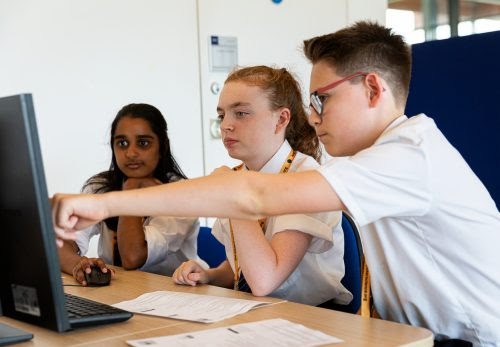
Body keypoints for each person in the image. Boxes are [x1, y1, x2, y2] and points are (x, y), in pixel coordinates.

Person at [52, 22, 500, 346]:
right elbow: (245, 202)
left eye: (321, 98)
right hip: (410, 335)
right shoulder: (374, 161)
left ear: (373, 89)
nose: (314, 114)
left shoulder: (408, 157)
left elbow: (249, 198)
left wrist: (105, 205)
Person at [172, 66, 352, 307]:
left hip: (311, 317)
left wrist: (234, 194)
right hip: (255, 313)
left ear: (281, 119)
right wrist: (211, 275)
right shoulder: (238, 176)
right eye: (222, 115)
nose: (225, 125)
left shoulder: (306, 178)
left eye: (241, 113)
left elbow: (264, 280)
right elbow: (244, 265)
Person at [58, 103, 201, 285]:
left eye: (143, 143)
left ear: (162, 146)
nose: (131, 153)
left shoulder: (181, 194)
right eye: (122, 143)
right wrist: (79, 265)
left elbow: (132, 257)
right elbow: (61, 243)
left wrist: (130, 192)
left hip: (175, 295)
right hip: (120, 291)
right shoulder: (99, 187)